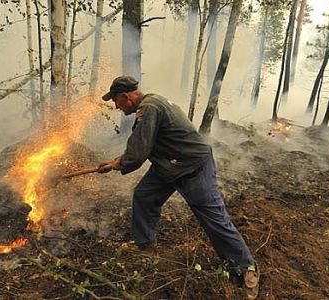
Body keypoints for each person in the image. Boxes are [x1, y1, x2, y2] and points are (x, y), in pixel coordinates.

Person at [97, 76, 259, 297]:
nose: (115, 106)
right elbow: (144, 143)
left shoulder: (149, 109)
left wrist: (118, 164)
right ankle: (145, 245)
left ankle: (246, 269)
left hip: (192, 166)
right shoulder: (152, 103)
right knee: (144, 196)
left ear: (126, 97)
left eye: (115, 101)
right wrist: (117, 160)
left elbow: (139, 152)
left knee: (215, 219)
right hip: (169, 164)